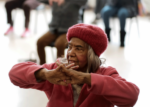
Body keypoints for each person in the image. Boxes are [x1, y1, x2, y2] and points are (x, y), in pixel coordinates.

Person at [9, 23, 139, 107]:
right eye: (69, 47)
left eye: (78, 48)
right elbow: (14, 74)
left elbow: (131, 96)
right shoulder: (57, 71)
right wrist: (45, 74)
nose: (70, 53)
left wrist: (85, 78)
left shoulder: (106, 74)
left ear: (91, 54)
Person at [35, 0, 88, 65]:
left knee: (59, 44)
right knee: (40, 42)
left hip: (69, 31)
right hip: (54, 29)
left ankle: (59, 69)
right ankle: (42, 67)